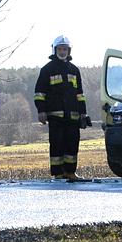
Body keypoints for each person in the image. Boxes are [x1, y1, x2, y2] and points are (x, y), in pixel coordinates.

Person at [34, 35, 88, 181]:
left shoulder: (74, 70)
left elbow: (80, 94)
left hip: (73, 116)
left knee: (72, 144)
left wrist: (83, 113)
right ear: (54, 49)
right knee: (57, 144)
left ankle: (70, 172)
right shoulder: (47, 69)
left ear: (69, 50)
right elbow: (39, 93)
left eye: (65, 49)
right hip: (55, 116)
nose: (62, 51)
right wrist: (41, 111)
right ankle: (58, 173)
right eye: (60, 49)